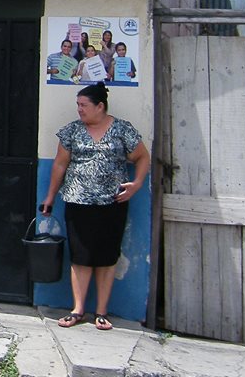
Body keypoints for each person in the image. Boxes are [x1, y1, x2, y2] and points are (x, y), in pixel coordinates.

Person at [41, 83, 150, 331]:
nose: (79, 110)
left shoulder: (122, 130)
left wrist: (137, 184)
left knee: (106, 257)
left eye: (84, 105)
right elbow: (59, 165)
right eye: (78, 105)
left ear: (100, 106)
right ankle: (78, 309)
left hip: (112, 203)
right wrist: (50, 197)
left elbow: (143, 157)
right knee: (80, 257)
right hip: (78, 202)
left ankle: (101, 312)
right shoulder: (71, 132)